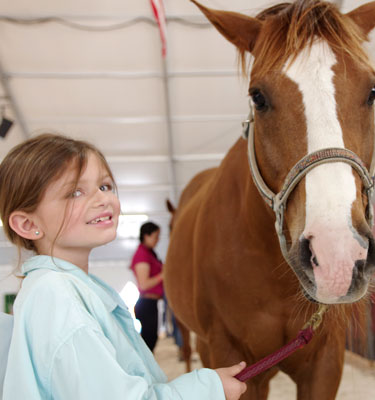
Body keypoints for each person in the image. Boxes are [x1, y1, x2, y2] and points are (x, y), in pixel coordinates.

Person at [0, 133, 247, 400]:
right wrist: (208, 389)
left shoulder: (69, 288)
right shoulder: (58, 298)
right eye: (75, 192)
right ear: (28, 225)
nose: (103, 199)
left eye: (105, 186)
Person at [130, 221, 163, 352]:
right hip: (147, 303)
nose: (158, 240)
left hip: (151, 302)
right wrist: (163, 275)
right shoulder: (142, 255)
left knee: (151, 340)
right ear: (146, 236)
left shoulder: (150, 253)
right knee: (149, 341)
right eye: (155, 236)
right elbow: (144, 284)